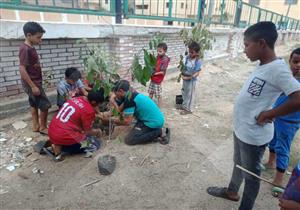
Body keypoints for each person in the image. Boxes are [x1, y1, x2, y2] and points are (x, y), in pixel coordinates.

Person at [206, 21, 300, 210]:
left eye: (247, 45)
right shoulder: (264, 65)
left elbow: (297, 98)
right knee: (238, 164)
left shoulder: (279, 69)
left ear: (262, 43)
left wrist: (270, 113)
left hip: (254, 136)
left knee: (251, 175)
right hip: (242, 129)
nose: (244, 50)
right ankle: (232, 191)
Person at [264, 48, 300, 187]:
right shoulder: (285, 77)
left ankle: (278, 180)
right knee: (272, 141)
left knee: (282, 147)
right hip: (276, 116)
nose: (298, 65)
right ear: (289, 62)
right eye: (295, 61)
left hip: (290, 121)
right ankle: (271, 162)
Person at [105, 80, 170, 145]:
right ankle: (154, 130)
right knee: (132, 124)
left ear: (121, 91)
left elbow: (127, 122)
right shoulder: (131, 93)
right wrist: (111, 107)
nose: (116, 97)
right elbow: (119, 110)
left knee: (130, 140)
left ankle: (159, 132)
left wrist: (110, 119)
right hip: (155, 118)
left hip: (152, 122)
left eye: (116, 94)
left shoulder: (129, 99)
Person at [48, 91, 104, 161]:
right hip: (63, 135)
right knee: (95, 145)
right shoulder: (88, 111)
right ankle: (62, 148)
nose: (98, 106)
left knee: (78, 131)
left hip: (52, 130)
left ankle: (57, 143)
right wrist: (97, 132)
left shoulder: (77, 98)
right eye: (98, 104)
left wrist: (99, 113)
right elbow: (88, 131)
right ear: (94, 102)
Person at [19, 21, 51, 135]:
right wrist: (33, 86)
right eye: (38, 37)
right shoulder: (25, 49)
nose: (40, 40)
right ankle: (43, 127)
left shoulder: (30, 47)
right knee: (46, 105)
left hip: (34, 81)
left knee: (33, 103)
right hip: (33, 83)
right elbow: (22, 68)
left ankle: (35, 125)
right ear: (29, 35)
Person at [180, 41, 202, 115]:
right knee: (184, 92)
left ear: (197, 53)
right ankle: (184, 105)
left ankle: (188, 109)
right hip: (185, 78)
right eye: (189, 52)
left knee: (190, 94)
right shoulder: (187, 58)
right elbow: (185, 67)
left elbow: (197, 73)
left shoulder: (198, 61)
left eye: (192, 52)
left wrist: (189, 77)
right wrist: (182, 74)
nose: (190, 54)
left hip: (191, 81)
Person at [148, 42, 170, 107]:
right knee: (150, 92)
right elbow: (154, 65)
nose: (158, 52)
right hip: (153, 78)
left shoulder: (165, 60)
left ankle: (159, 107)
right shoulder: (157, 57)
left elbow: (163, 72)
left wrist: (155, 73)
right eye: (157, 51)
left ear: (165, 51)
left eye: (160, 51)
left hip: (158, 80)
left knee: (158, 95)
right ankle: (148, 105)